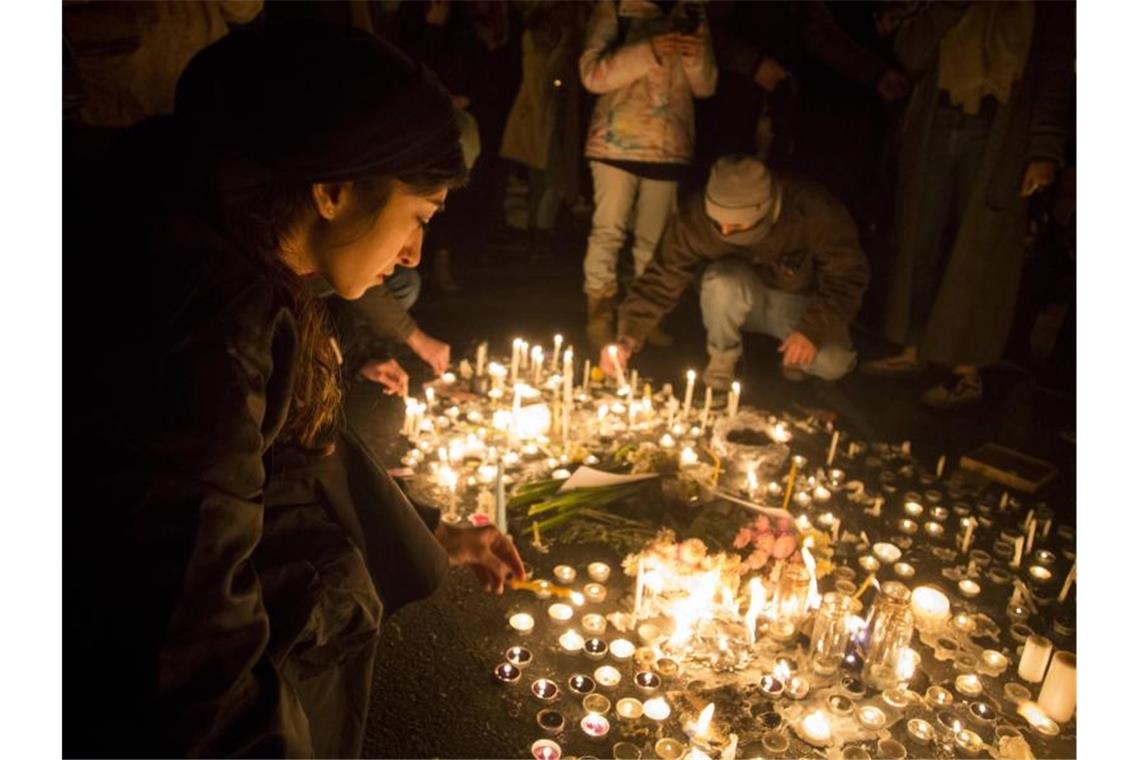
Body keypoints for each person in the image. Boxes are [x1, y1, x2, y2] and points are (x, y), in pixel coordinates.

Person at [64, 24, 524, 758]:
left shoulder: (198, 224)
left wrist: (431, 529)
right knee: (328, 588)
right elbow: (186, 637)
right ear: (335, 189)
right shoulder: (204, 332)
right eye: (419, 217)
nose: (413, 253)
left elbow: (296, 457)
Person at [861, 1, 1075, 409]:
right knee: (918, 238)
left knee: (982, 251)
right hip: (936, 118)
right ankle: (913, 348)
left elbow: (1055, 68)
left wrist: (1044, 147)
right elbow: (910, 51)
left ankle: (966, 369)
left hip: (1001, 129)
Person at [600, 154, 869, 388]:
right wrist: (628, 336)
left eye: (736, 226)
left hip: (798, 304)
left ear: (764, 210)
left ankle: (796, 355)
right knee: (721, 281)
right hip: (734, 299)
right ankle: (722, 362)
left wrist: (811, 330)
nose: (725, 232)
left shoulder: (812, 211)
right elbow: (663, 275)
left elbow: (847, 276)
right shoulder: (695, 219)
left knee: (834, 363)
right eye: (718, 223)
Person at [578, 0, 717, 349]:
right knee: (608, 230)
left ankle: (641, 317)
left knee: (654, 241)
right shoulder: (616, 7)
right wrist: (648, 50)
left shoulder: (691, 10)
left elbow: (705, 86)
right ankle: (600, 312)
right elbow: (592, 74)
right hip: (614, 144)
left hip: (669, 146)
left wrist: (693, 56)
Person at [499, 1, 588, 260]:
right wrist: (563, 46)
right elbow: (544, 83)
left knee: (547, 180)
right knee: (551, 180)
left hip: (550, 120)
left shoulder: (551, 33)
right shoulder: (536, 37)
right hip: (542, 122)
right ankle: (540, 233)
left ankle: (539, 233)